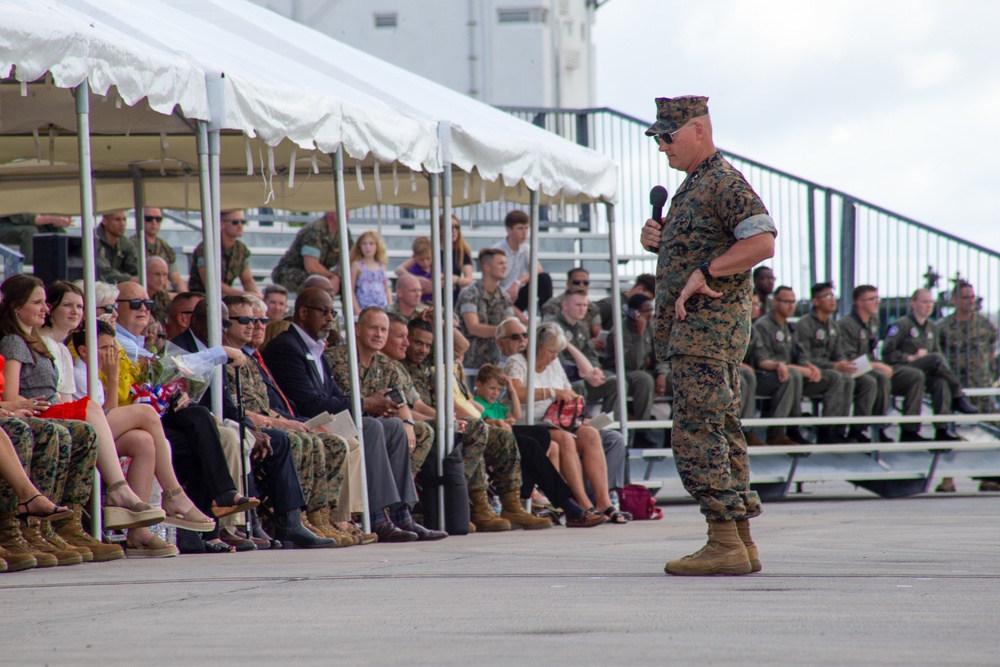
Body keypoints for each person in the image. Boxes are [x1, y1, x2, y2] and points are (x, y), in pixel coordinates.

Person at [640, 95, 776, 575]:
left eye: (668, 136)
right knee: (720, 430)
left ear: (698, 130)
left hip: (706, 333)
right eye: (657, 137)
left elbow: (761, 242)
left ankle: (723, 541)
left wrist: (707, 272)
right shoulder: (693, 186)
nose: (662, 146)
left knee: (697, 433)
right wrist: (658, 238)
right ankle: (740, 540)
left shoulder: (721, 182)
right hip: (698, 336)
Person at [261, 287, 423, 543]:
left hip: (323, 418)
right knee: (371, 427)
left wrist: (375, 405)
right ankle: (378, 517)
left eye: (332, 312)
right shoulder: (287, 347)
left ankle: (402, 513)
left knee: (393, 425)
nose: (330, 318)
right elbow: (309, 403)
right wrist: (366, 403)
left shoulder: (315, 348)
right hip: (302, 421)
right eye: (323, 311)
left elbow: (334, 394)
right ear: (303, 312)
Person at [113, 280, 261, 554]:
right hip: (124, 421)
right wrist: (220, 353)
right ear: (113, 308)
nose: (144, 309)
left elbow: (154, 378)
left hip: (144, 418)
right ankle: (199, 505)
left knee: (198, 421)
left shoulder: (136, 342)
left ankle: (209, 519)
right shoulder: (113, 340)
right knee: (200, 425)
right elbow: (159, 369)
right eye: (135, 304)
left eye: (149, 304)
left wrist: (171, 395)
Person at [221, 295, 355, 546]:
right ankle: (293, 521)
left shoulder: (247, 360)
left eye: (259, 319)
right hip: (245, 425)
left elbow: (266, 406)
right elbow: (237, 409)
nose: (254, 325)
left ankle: (320, 519)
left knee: (334, 442)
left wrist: (286, 421)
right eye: (247, 320)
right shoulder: (223, 360)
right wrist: (285, 423)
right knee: (304, 442)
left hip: (265, 423)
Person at [399, 318, 555, 531]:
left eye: (427, 345)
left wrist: (441, 320)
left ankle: (511, 505)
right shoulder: (399, 365)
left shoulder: (429, 362)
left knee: (504, 438)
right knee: (478, 431)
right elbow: (411, 407)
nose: (423, 349)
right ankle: (471, 504)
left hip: (448, 423)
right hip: (426, 426)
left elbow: (462, 346)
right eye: (418, 343)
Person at [504, 323, 627, 526]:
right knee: (564, 439)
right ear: (537, 347)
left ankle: (603, 501)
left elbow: (568, 393)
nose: (554, 356)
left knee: (590, 434)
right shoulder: (517, 362)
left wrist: (577, 413)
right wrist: (552, 392)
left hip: (557, 420)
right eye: (551, 351)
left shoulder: (554, 364)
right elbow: (516, 393)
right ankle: (583, 504)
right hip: (530, 423)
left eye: (557, 352)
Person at [751, 286, 848, 444]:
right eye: (786, 301)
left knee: (836, 378)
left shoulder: (789, 327)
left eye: (793, 302)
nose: (791, 305)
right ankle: (779, 432)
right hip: (766, 376)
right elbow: (762, 360)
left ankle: (831, 430)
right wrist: (795, 368)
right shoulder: (764, 325)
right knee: (793, 375)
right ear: (775, 302)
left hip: (787, 375)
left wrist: (809, 366)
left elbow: (799, 355)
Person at [882, 288, 978, 443]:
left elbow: (936, 357)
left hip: (923, 372)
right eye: (924, 302)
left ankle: (941, 429)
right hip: (902, 371)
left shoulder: (931, 328)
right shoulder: (902, 325)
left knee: (940, 382)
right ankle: (957, 395)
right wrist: (909, 357)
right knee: (935, 359)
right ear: (913, 304)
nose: (928, 306)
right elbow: (887, 353)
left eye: (931, 302)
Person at [552, 287, 655, 426]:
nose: (582, 309)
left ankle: (607, 429)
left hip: (586, 374)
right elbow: (556, 362)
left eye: (585, 305)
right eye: (578, 305)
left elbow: (591, 355)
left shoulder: (582, 327)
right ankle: (577, 429)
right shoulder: (553, 327)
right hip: (564, 379)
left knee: (617, 383)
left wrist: (595, 370)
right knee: (578, 384)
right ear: (565, 304)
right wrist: (584, 373)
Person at [837, 285, 926, 443]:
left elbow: (871, 351)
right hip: (854, 370)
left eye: (878, 298)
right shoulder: (846, 324)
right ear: (859, 303)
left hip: (873, 367)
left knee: (915, 376)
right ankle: (862, 429)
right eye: (872, 299)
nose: (877, 302)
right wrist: (876, 365)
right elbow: (849, 360)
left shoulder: (874, 321)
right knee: (878, 378)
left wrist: (878, 365)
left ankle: (910, 430)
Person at [937, 281, 999, 493]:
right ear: (954, 300)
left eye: (972, 297)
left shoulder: (985, 325)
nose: (970, 301)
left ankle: (991, 477)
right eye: (965, 297)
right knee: (950, 431)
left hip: (981, 387)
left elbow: (991, 350)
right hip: (955, 389)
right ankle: (947, 479)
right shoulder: (943, 327)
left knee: (991, 430)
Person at [793, 282, 873, 442]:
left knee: (867, 380)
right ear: (815, 301)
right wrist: (834, 366)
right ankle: (827, 430)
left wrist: (844, 364)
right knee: (839, 378)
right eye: (827, 296)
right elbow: (804, 359)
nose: (832, 300)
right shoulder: (804, 324)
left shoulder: (833, 326)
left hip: (832, 372)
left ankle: (847, 430)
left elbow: (839, 354)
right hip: (810, 377)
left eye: (833, 296)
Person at [600, 293, 677, 447]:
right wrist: (639, 335)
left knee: (680, 381)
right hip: (620, 371)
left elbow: (661, 356)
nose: (650, 314)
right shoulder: (621, 329)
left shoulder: (652, 326)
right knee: (644, 380)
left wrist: (662, 374)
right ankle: (642, 432)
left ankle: (674, 433)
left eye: (651, 309)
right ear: (633, 312)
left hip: (642, 370)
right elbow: (633, 363)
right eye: (646, 310)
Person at [457, 248, 515, 370]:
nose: (505, 267)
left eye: (505, 263)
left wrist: (510, 332)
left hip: (497, 352)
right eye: (500, 263)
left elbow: (510, 326)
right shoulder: (470, 293)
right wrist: (505, 331)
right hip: (471, 354)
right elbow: (473, 328)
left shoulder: (505, 297)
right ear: (486, 267)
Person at [271, 211, 350, 295]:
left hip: (321, 274)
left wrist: (338, 276)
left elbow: (351, 258)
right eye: (344, 210)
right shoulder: (315, 230)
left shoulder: (344, 232)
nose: (347, 214)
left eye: (348, 210)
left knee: (350, 281)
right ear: (329, 212)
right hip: (290, 273)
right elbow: (311, 267)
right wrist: (333, 276)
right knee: (316, 282)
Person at [492, 209, 553, 319]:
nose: (525, 233)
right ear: (508, 230)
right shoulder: (497, 251)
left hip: (516, 295)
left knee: (544, 278)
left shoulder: (525, 248)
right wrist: (520, 316)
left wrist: (518, 282)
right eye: (520, 228)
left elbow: (538, 269)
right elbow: (494, 290)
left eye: (526, 228)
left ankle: (547, 317)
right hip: (499, 301)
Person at [188, 209, 261, 297]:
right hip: (201, 299)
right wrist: (244, 295)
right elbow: (211, 283)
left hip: (224, 299)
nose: (240, 225)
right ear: (222, 224)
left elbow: (248, 280)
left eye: (243, 222)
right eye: (235, 222)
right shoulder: (207, 248)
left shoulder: (241, 249)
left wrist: (257, 296)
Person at [541, 268, 602, 342]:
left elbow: (597, 334)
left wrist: (592, 343)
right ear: (568, 284)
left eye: (585, 283)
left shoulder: (592, 308)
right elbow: (548, 332)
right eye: (576, 282)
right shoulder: (552, 305)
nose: (581, 285)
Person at [136, 207, 186, 292]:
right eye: (149, 219)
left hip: (162, 294)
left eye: (158, 219)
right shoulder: (132, 246)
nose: (154, 222)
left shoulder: (165, 248)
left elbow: (175, 277)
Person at [0, 214, 72, 264]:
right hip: (4, 226)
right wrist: (53, 219)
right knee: (29, 231)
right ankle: (28, 269)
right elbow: (29, 219)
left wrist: (60, 221)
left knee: (61, 235)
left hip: (33, 227)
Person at [349, 231, 393, 314]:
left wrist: (389, 306)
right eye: (364, 244)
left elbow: (386, 288)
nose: (367, 247)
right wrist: (357, 309)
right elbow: (351, 289)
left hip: (382, 308)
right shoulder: (356, 265)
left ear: (377, 246)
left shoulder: (381, 265)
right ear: (359, 247)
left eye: (371, 244)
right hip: (364, 308)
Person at [96, 210, 139, 284]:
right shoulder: (94, 241)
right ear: (104, 221)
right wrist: (129, 279)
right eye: (117, 220)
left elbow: (135, 267)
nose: (122, 224)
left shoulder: (126, 243)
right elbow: (103, 272)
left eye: (124, 219)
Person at [145, 256, 172, 327]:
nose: (161, 280)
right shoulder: (135, 297)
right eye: (157, 274)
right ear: (145, 273)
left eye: (165, 275)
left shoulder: (164, 298)